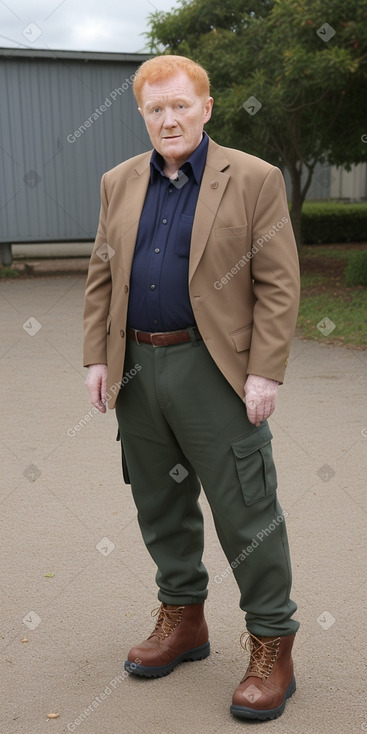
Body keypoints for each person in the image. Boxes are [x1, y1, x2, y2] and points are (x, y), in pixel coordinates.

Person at [83, 54, 300, 721]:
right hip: (140, 371)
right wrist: (97, 357)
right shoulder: (118, 181)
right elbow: (100, 273)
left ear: (205, 108)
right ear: (142, 114)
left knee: (246, 511)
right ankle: (183, 621)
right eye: (155, 108)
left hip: (216, 371)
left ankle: (273, 643)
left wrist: (263, 370)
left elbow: (278, 283)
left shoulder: (254, 179)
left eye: (181, 105)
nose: (168, 118)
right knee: (159, 503)